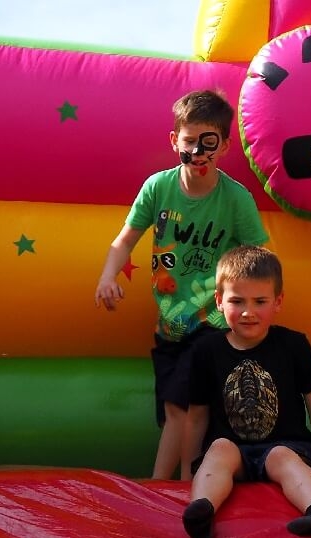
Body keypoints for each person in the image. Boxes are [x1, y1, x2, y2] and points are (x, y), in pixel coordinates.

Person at [95, 89, 269, 480]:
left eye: (208, 143)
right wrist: (108, 276)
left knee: (182, 407)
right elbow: (125, 240)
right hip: (171, 325)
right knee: (175, 412)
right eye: (190, 142)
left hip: (215, 323)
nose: (198, 152)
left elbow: (259, 258)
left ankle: (164, 486)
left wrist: (252, 307)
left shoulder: (235, 199)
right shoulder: (159, 188)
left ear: (224, 146)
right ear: (175, 141)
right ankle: (190, 484)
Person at [180, 246, 311, 538]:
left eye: (260, 301)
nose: (248, 312)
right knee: (219, 448)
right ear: (219, 301)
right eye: (237, 301)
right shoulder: (207, 351)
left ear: (278, 301)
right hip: (232, 452)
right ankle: (202, 511)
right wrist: (183, 479)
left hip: (286, 445)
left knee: (283, 457)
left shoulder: (294, 346)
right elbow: (195, 418)